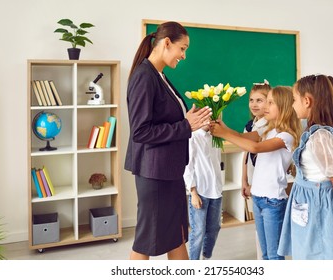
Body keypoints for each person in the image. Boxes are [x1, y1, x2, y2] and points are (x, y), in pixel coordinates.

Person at [124, 21, 212, 260]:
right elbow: (140, 132)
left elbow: (166, 120)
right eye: (182, 48)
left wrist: (190, 121)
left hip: (169, 171)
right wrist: (185, 126)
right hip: (155, 174)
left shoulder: (159, 76)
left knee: (177, 235)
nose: (184, 56)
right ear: (166, 43)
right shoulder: (144, 76)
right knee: (146, 241)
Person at [211, 86, 302, 260]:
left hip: (273, 201)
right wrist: (224, 129)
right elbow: (241, 136)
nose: (264, 106)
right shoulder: (266, 130)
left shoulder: (286, 136)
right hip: (259, 197)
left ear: (283, 107)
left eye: (270, 103)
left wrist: (224, 134)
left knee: (274, 256)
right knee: (265, 253)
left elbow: (255, 148)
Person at [278, 74, 333, 260]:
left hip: (321, 209)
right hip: (310, 206)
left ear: (307, 101)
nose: (292, 105)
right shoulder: (313, 133)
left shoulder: (321, 138)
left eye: (293, 100)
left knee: (321, 254)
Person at [183, 125, 223, 260]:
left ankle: (206, 257)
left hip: (216, 190)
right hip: (200, 191)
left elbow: (216, 162)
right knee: (198, 231)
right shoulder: (192, 137)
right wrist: (193, 192)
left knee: (214, 228)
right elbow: (187, 166)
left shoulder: (216, 137)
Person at [241, 80, 270, 200]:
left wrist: (254, 185)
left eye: (259, 101)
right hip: (252, 180)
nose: (254, 105)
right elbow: (246, 154)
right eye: (251, 100)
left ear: (269, 103)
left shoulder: (270, 127)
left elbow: (267, 161)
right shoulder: (249, 126)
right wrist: (244, 180)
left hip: (265, 184)